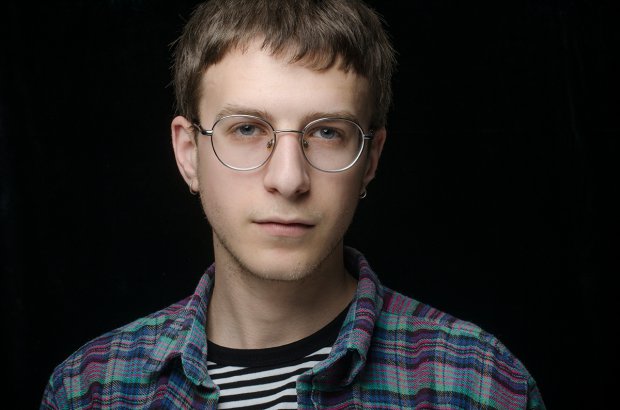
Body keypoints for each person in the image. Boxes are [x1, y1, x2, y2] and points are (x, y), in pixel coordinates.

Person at [40, 0, 546, 408]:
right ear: (189, 154)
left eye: (327, 133)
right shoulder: (90, 389)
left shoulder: (479, 385)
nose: (288, 179)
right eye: (246, 129)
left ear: (371, 159)